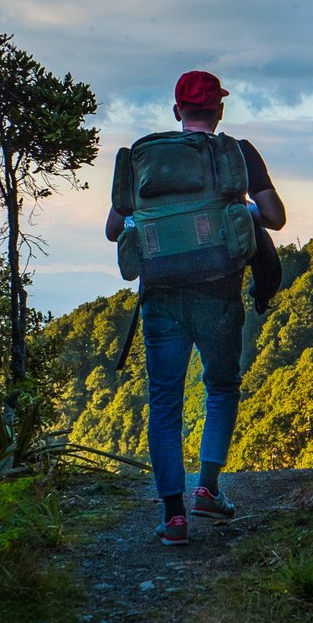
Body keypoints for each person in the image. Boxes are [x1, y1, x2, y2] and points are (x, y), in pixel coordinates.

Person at [105, 70, 286, 545]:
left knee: (164, 401)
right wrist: (236, 209)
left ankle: (174, 517)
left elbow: (112, 229)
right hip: (219, 294)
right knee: (221, 387)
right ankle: (207, 487)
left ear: (176, 112)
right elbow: (275, 218)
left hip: (160, 296)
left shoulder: (144, 158)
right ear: (220, 110)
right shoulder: (238, 154)